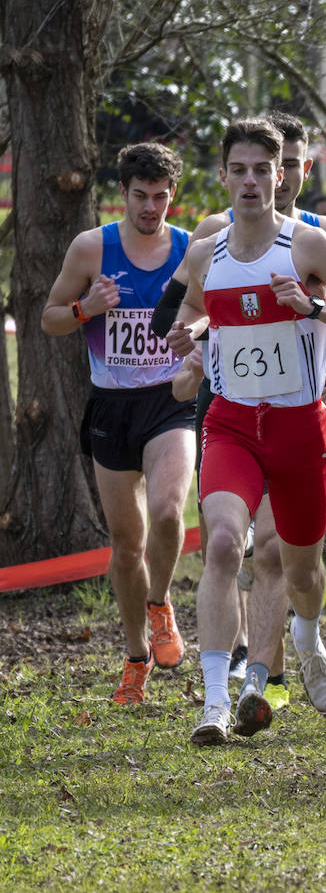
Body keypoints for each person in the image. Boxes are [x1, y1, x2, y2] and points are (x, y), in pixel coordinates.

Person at [166, 118, 326, 744]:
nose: (250, 181)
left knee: (300, 566)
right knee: (222, 546)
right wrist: (188, 345)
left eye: (262, 169)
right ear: (224, 177)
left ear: (280, 175)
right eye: (238, 169)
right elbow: (189, 317)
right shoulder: (206, 251)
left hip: (298, 428)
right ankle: (216, 703)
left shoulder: (309, 246)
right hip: (231, 422)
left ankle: (308, 636)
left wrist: (313, 307)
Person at [41, 142, 195, 704]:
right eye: (140, 196)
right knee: (127, 546)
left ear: (170, 195)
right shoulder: (92, 249)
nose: (150, 207)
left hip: (170, 400)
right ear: (122, 195)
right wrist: (88, 309)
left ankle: (160, 605)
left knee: (168, 511)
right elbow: (50, 319)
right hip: (111, 407)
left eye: (160, 197)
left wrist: (192, 332)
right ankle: (135, 656)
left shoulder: (188, 250)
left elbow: (207, 312)